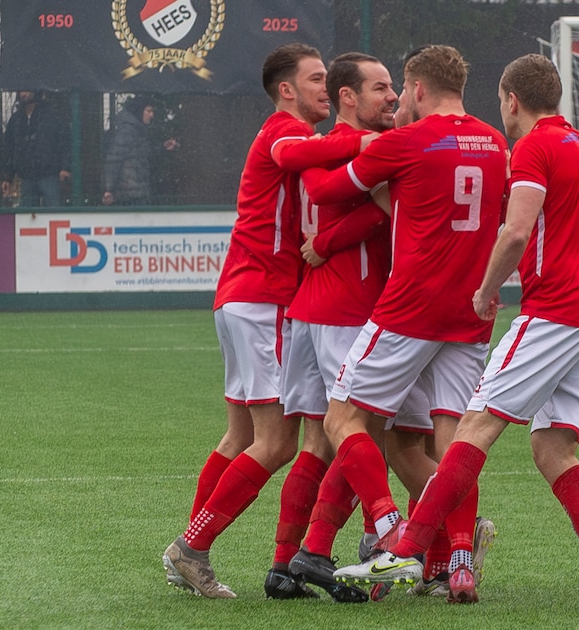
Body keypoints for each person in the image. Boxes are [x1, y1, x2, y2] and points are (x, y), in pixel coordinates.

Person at [331, 53, 579, 610]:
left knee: (474, 426)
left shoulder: (533, 147)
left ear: (511, 99)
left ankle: (407, 547)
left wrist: (486, 289)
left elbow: (516, 230)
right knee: (553, 449)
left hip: (555, 313)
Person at [297, 44, 509, 605]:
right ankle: (460, 563)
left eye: (400, 90)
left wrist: (341, 146)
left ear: (416, 88)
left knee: (343, 418)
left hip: (410, 309)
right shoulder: (495, 143)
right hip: (471, 312)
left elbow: (324, 189)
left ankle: (390, 528)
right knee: (454, 443)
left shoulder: (405, 141)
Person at [162, 42, 370, 599]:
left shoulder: (299, 134)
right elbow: (296, 158)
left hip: (244, 296)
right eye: (317, 79)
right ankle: (192, 548)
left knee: (241, 436)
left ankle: (189, 548)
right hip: (263, 299)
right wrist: (375, 140)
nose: (327, 88)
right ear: (286, 89)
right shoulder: (286, 131)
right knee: (278, 443)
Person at [264, 51, 400, 603]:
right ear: (350, 97)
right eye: (381, 88)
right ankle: (380, 543)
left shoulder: (319, 148)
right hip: (348, 309)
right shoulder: (348, 147)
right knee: (360, 433)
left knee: (321, 440)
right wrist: (334, 239)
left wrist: (325, 241)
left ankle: (287, 565)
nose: (391, 98)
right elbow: (384, 208)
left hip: (315, 307)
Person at [101, 97, 179, 206]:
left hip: (136, 194)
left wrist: (162, 148)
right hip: (128, 196)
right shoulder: (125, 132)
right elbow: (114, 160)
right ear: (138, 111)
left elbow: (143, 154)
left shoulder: (137, 131)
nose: (151, 115)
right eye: (148, 111)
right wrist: (109, 189)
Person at [0, 90, 70, 207]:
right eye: (21, 91)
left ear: (36, 92)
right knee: (28, 216)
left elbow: (64, 142)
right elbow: (10, 148)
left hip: (49, 174)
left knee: (52, 213)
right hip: (27, 176)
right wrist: (8, 176)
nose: (23, 94)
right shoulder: (16, 119)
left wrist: (65, 167)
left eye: (27, 90)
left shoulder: (52, 116)